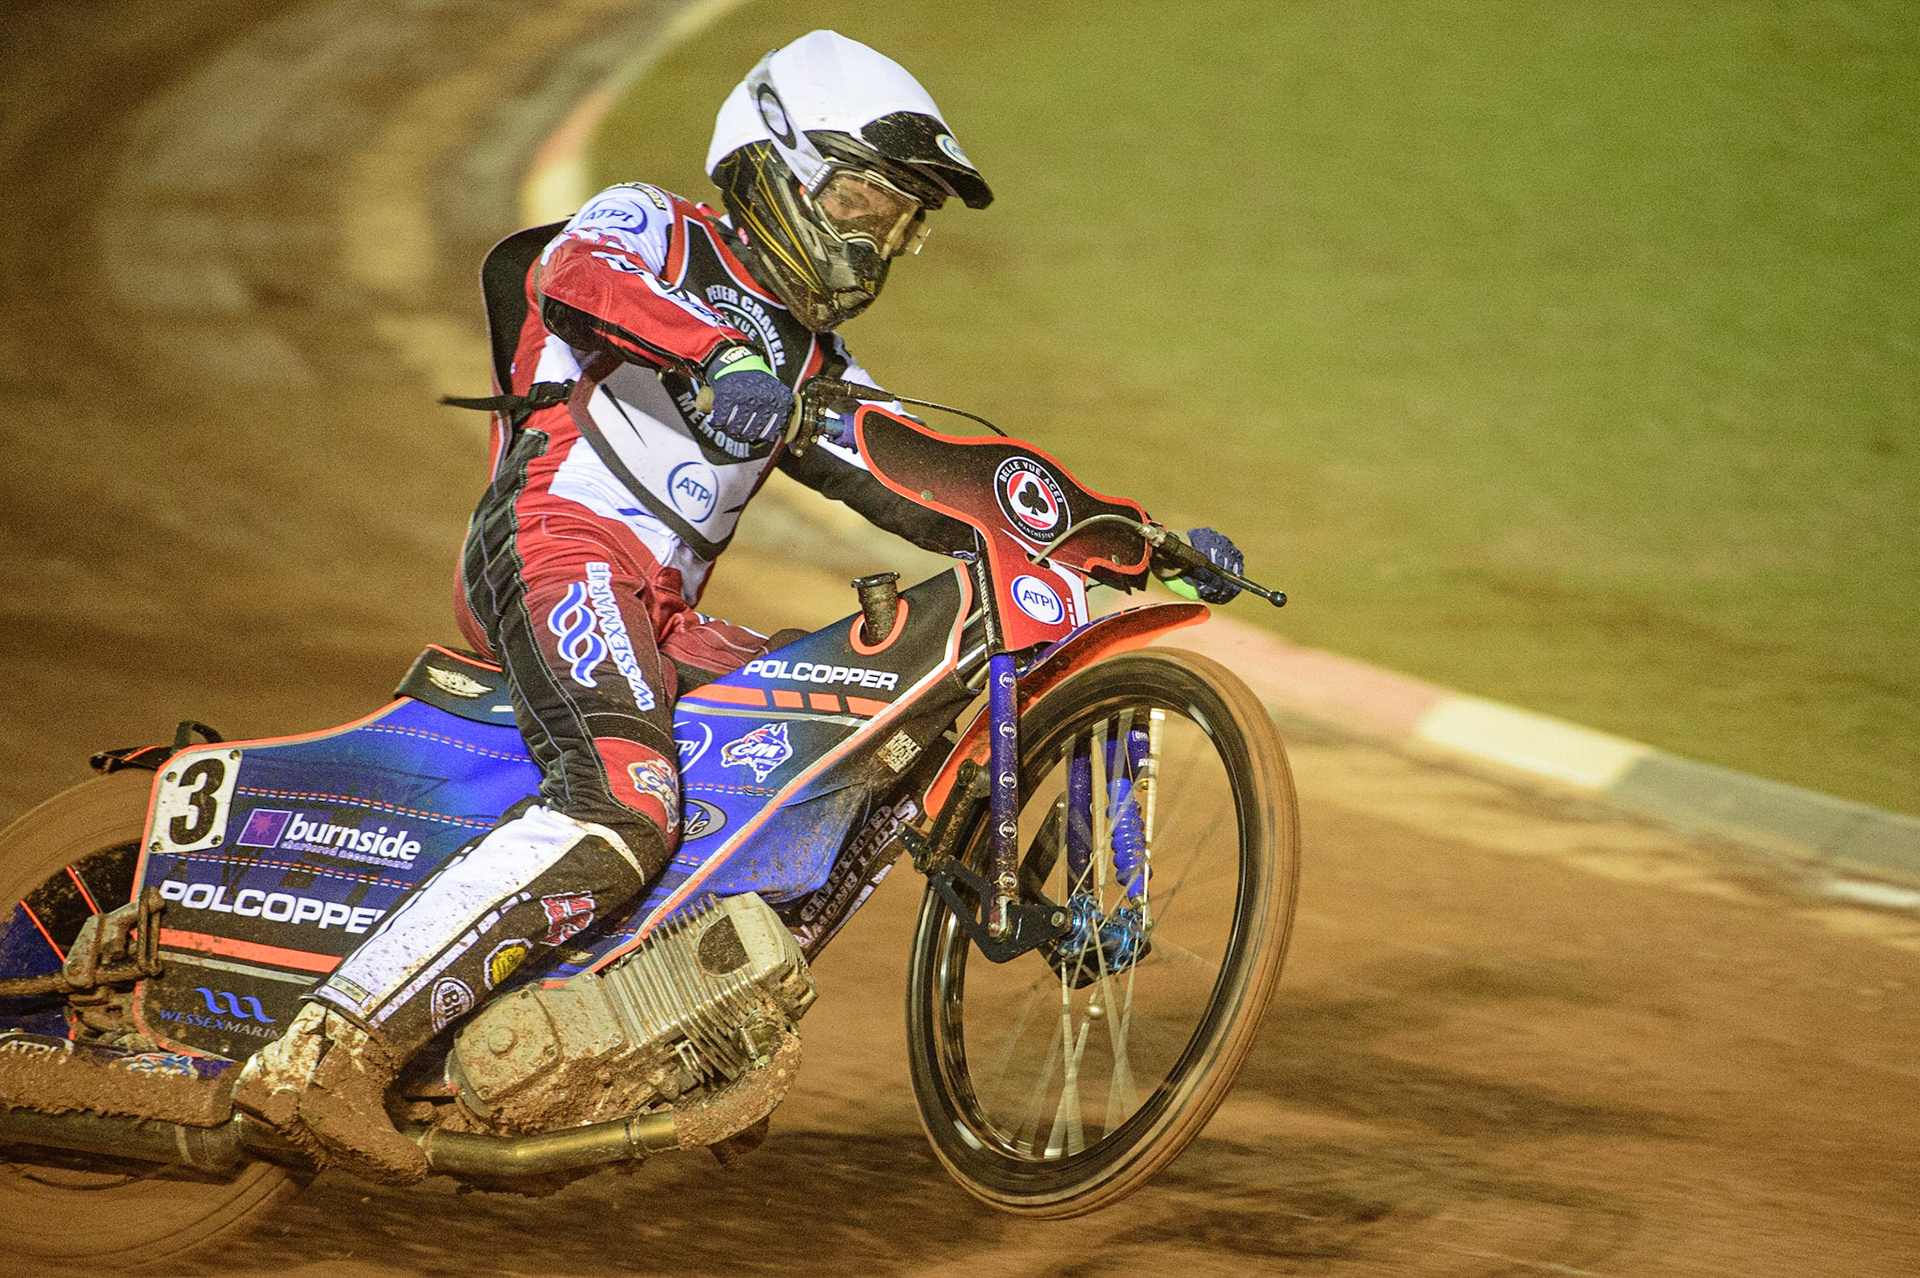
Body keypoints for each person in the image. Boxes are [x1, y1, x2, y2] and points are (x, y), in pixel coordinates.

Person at [232, 29, 1243, 1185]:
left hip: (660, 612)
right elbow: (576, 276)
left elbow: (932, 473)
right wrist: (719, 356)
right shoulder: (654, 225)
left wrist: (1128, 535)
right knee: (630, 795)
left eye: (902, 220)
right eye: (867, 199)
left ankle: (658, 1021)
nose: (881, 238)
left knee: (844, 743)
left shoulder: (812, 358)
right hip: (555, 543)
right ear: (778, 164)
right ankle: (325, 1053)